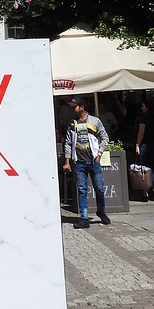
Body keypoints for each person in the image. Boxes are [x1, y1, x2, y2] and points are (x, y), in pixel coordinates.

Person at [63, 96, 111, 228]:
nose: (73, 109)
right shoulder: (73, 124)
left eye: (75, 107)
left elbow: (104, 137)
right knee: (82, 190)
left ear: (82, 107)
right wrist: (67, 162)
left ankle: (101, 211)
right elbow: (68, 143)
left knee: (99, 188)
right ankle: (84, 218)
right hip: (79, 163)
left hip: (93, 161)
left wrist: (99, 153)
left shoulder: (94, 121)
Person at [135, 97, 154, 200]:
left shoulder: (143, 118)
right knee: (152, 169)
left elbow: (141, 133)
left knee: (143, 168)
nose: (141, 108)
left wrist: (137, 144)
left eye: (143, 106)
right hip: (152, 144)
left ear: (147, 107)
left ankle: (145, 192)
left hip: (144, 144)